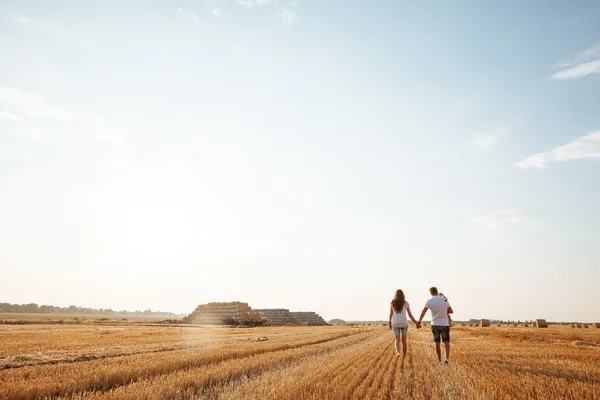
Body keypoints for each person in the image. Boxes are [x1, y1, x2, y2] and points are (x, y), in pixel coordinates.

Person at [418, 286, 453, 364]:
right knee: (446, 342)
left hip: (435, 324)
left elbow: (423, 312)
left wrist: (419, 321)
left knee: (437, 343)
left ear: (430, 293)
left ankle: (439, 359)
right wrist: (444, 309)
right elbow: (451, 311)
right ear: (437, 291)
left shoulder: (429, 301)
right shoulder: (444, 300)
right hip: (445, 324)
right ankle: (446, 358)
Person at [388, 289, 420, 368]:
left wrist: (389, 322)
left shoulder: (392, 303)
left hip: (395, 323)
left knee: (397, 340)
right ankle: (404, 357)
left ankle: (398, 352)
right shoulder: (406, 303)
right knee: (404, 341)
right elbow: (410, 315)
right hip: (404, 323)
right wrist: (416, 323)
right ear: (403, 295)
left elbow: (391, 314)